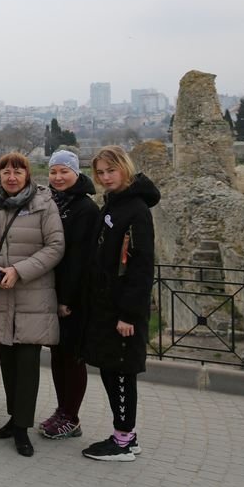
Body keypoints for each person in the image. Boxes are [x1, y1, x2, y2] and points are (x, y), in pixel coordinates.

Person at [0, 151, 65, 457]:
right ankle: (14, 419)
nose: (11, 177)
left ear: (27, 175)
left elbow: (55, 247)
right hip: (0, 294)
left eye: (17, 171)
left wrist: (19, 271)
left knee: (27, 364)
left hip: (32, 295)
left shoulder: (43, 204)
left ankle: (23, 428)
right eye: (6, 172)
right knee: (8, 363)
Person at [81, 147, 160, 462]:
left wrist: (129, 314)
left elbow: (141, 267)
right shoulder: (114, 204)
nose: (104, 178)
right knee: (111, 370)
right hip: (107, 306)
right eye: (100, 173)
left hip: (123, 312)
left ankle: (124, 441)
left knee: (122, 373)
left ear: (124, 169)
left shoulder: (136, 210)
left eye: (110, 171)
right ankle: (124, 435)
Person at [39, 150, 99, 440]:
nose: (58, 177)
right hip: (52, 291)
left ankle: (71, 416)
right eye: (53, 172)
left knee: (72, 357)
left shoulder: (84, 209)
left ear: (76, 173)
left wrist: (67, 299)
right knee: (59, 355)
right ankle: (62, 411)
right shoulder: (52, 203)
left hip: (72, 297)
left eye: (64, 171)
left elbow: (80, 259)